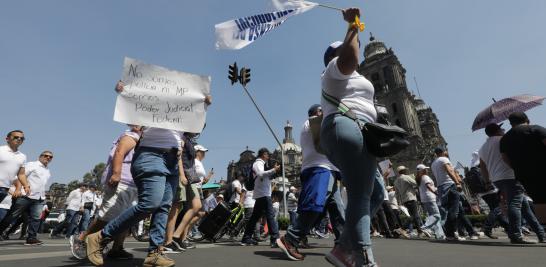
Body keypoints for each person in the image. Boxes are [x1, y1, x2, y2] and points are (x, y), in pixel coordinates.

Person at [86, 81, 211, 267]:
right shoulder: (151, 109)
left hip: (172, 161)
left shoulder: (181, 117)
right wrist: (123, 91)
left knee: (163, 207)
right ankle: (100, 237)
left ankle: (154, 253)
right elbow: (130, 109)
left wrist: (203, 106)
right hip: (151, 154)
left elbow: (195, 128)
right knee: (150, 203)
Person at [318, 7, 386, 266]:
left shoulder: (352, 77)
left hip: (360, 133)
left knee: (376, 193)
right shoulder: (335, 68)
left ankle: (344, 246)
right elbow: (349, 58)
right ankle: (361, 257)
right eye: (350, 45)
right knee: (360, 194)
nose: (355, 46)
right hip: (346, 127)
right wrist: (352, 26)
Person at [277, 104, 345, 261]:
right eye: (322, 110)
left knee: (337, 211)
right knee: (314, 206)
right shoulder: (313, 122)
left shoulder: (319, 123)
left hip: (329, 171)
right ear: (317, 113)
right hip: (320, 169)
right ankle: (290, 239)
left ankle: (343, 245)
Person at [70, 125, 142, 260]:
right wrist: (116, 173)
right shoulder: (132, 136)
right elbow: (119, 152)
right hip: (122, 181)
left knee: (128, 218)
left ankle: (117, 248)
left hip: (133, 183)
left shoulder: (143, 139)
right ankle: (81, 239)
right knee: (108, 215)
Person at [482, 121, 545, 243]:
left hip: (496, 179)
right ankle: (516, 234)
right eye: (501, 129)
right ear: (497, 130)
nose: (503, 130)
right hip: (509, 175)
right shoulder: (503, 139)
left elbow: (483, 167)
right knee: (515, 204)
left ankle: (541, 234)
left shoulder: (483, 148)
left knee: (525, 208)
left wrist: (487, 182)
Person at [0, 151, 53, 245]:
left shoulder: (47, 170)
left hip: (39, 198)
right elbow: (20, 177)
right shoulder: (32, 165)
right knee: (12, 215)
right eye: (46, 156)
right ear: (40, 156)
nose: (48, 158)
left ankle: (31, 238)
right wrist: (18, 189)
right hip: (26, 196)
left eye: (50, 157)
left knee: (36, 218)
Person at [500, 112, 546, 204]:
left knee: (538, 201)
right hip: (543, 169)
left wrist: (517, 167)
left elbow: (504, 158)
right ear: (527, 120)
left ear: (511, 124)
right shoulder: (536, 129)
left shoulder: (504, 139)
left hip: (524, 175)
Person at [240, 148, 280, 247]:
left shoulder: (262, 164)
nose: (269, 156)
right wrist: (274, 169)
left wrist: (273, 171)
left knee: (254, 218)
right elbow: (260, 174)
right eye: (267, 154)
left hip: (262, 194)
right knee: (270, 216)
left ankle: (246, 238)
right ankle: (275, 239)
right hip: (263, 194)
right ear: (263, 154)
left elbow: (263, 176)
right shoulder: (258, 163)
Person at [431, 147, 466, 241]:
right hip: (450, 185)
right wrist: (457, 183)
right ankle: (450, 233)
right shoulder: (444, 159)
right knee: (454, 210)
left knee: (448, 210)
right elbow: (449, 170)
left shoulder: (433, 163)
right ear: (443, 152)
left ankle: (451, 233)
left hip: (440, 187)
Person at [393, 166, 428, 238]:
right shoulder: (406, 177)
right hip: (411, 197)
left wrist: (399, 202)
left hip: (404, 199)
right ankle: (402, 228)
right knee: (414, 215)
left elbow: (396, 193)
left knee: (414, 215)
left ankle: (419, 231)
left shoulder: (396, 181)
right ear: (404, 171)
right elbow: (415, 183)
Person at [0, 130, 30, 204]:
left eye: (22, 138)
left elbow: (21, 174)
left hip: (5, 188)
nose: (19, 139)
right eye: (16, 137)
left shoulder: (22, 156)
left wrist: (26, 185)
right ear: (7, 139)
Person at [415, 164, 444, 240]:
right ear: (423, 170)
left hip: (424, 198)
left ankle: (440, 235)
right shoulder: (425, 177)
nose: (427, 170)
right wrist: (436, 192)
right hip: (430, 197)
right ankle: (425, 227)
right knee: (437, 216)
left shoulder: (419, 178)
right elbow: (428, 186)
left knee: (433, 217)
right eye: (426, 169)